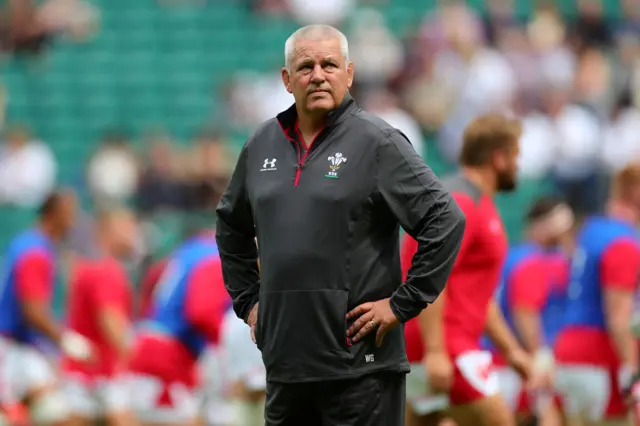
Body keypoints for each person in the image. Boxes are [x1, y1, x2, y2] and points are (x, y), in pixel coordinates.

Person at [216, 24, 466, 426]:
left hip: (361, 369)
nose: (318, 75)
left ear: (348, 73)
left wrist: (403, 304)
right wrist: (248, 302)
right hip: (286, 368)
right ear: (286, 79)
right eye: (306, 66)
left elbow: (445, 219)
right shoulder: (261, 144)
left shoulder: (378, 142)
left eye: (329, 64)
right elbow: (231, 225)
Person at [402, 114, 532, 426]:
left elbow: (477, 295)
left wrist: (511, 351)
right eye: (516, 156)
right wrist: (435, 350)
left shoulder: (471, 201)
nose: (518, 165)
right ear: (499, 158)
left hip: (432, 346)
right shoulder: (461, 201)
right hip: (448, 349)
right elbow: (430, 276)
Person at [554, 162, 640, 426]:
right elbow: (617, 316)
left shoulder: (592, 230)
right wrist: (631, 368)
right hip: (598, 357)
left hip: (568, 350)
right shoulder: (624, 241)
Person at [0, 190, 93, 425]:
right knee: (57, 415)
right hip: (12, 347)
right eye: (69, 213)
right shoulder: (35, 251)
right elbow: (32, 309)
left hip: (17, 347)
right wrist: (67, 341)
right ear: (54, 214)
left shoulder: (27, 242)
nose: (73, 221)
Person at [482, 197, 573, 426]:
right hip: (515, 363)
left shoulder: (513, 256)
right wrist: (538, 358)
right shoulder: (532, 261)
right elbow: (525, 311)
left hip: (500, 359)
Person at [128, 231, 230, 426]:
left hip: (151, 342)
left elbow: (151, 282)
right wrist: (229, 344)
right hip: (168, 355)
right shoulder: (216, 257)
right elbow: (202, 311)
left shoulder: (189, 249)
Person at [61, 207, 140, 426]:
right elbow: (110, 322)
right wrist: (138, 362)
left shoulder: (87, 267)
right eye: (128, 226)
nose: (134, 233)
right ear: (109, 229)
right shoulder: (106, 271)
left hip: (82, 373)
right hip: (101, 375)